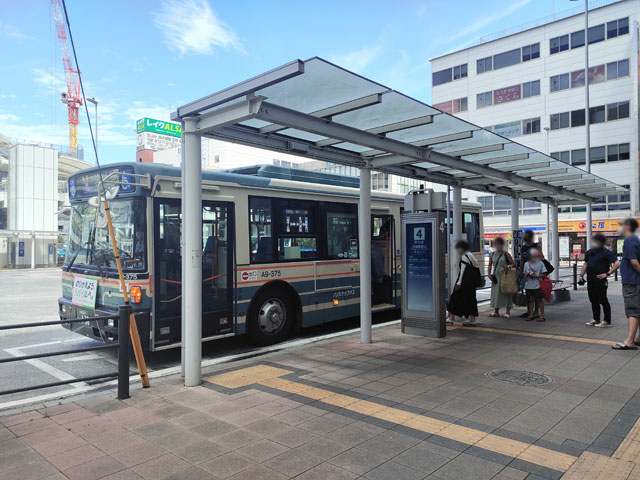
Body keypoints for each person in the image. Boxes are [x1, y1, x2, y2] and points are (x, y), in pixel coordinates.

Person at [581, 233, 619, 328]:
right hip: (591, 279)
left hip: (600, 280)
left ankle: (607, 321)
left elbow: (617, 263)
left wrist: (607, 274)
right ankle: (595, 319)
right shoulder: (590, 252)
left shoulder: (606, 252)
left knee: (602, 299)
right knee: (593, 299)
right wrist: (581, 275)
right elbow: (585, 264)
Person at [613, 218, 640, 350]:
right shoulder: (635, 240)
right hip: (635, 281)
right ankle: (638, 338)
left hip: (632, 282)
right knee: (638, 309)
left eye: (621, 226)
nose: (619, 229)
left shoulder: (629, 241)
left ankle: (629, 341)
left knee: (632, 310)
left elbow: (634, 262)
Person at [447, 240, 479, 326]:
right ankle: (471, 319)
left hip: (464, 283)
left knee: (455, 299)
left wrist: (459, 282)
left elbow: (462, 271)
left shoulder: (465, 256)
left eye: (458, 249)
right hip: (471, 283)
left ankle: (451, 318)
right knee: (470, 300)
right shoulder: (471, 255)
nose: (458, 251)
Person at [488, 237, 515, 318]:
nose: (496, 246)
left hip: (505, 275)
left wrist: (508, 266)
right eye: (495, 244)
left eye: (497, 244)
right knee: (496, 293)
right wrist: (489, 274)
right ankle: (496, 311)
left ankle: (508, 311)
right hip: (496, 276)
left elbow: (513, 264)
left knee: (506, 291)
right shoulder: (492, 254)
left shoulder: (506, 254)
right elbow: (489, 265)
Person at [523, 249, 547, 322]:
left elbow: (544, 274)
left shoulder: (540, 264)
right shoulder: (526, 264)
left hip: (537, 285)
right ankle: (531, 314)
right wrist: (526, 274)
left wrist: (536, 276)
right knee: (530, 300)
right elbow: (524, 273)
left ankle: (542, 316)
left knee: (540, 300)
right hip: (528, 285)